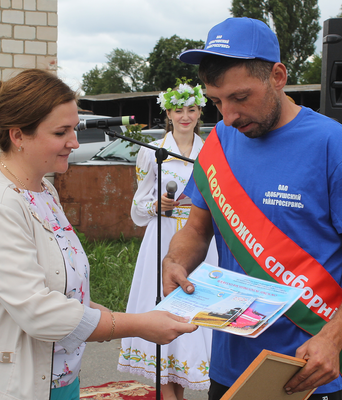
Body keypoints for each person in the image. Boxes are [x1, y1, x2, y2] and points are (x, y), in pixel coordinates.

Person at [0, 69, 197, 400]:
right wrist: (139, 325)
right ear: (18, 136)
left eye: (74, 128)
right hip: (6, 387)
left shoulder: (44, 192)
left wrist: (141, 318)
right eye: (61, 132)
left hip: (58, 380)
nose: (75, 142)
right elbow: (41, 313)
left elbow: (68, 295)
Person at [162, 18, 342, 400]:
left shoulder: (334, 145)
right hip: (229, 367)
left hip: (310, 370)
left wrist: (332, 339)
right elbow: (198, 228)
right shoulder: (220, 140)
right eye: (217, 101)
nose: (228, 116)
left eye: (240, 97)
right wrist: (176, 260)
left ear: (278, 75)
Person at [117, 82, 219, 400]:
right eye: (178, 110)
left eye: (191, 109)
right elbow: (137, 206)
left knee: (194, 311)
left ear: (200, 111)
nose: (185, 116)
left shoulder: (212, 151)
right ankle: (167, 392)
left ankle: (185, 384)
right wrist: (156, 205)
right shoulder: (151, 152)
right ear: (168, 114)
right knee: (161, 308)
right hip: (161, 240)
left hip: (202, 241)